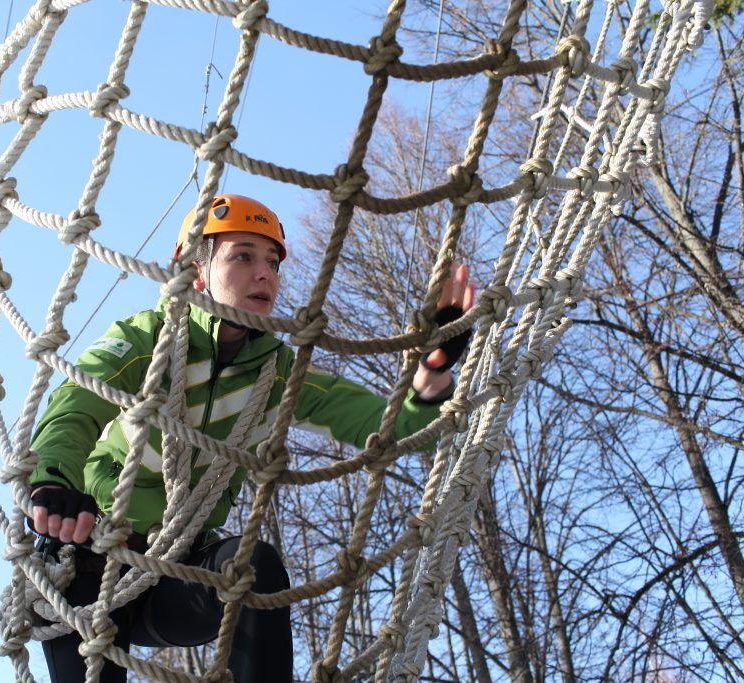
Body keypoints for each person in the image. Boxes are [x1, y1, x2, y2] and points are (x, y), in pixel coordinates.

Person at [28, 194, 475, 682]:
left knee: (251, 566)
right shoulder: (145, 341)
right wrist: (55, 483)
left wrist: (432, 376)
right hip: (90, 567)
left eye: (271, 262)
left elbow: (396, 430)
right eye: (243, 256)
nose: (264, 274)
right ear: (197, 272)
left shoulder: (279, 375)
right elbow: (75, 405)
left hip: (178, 573)